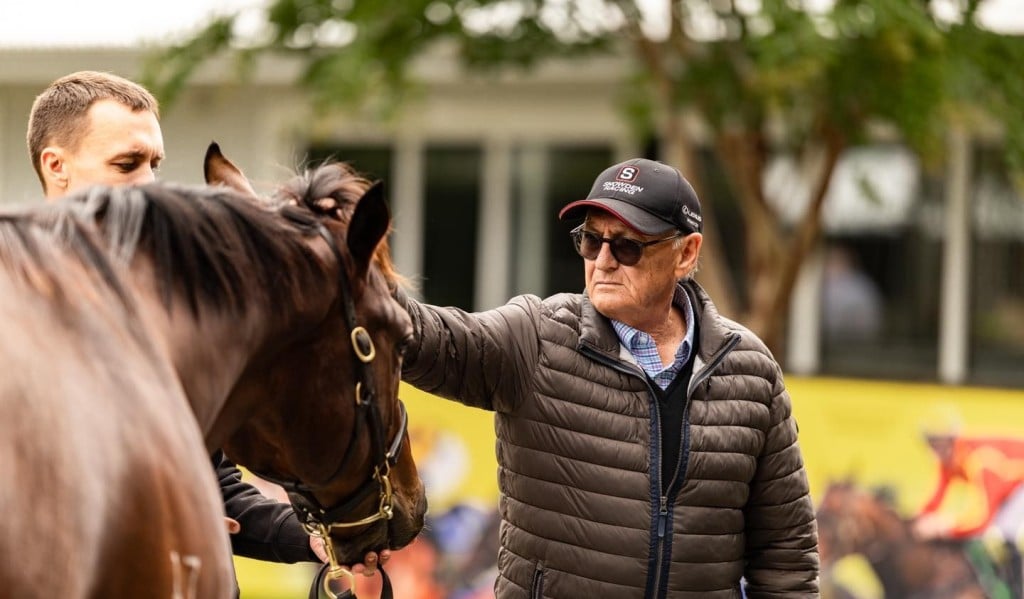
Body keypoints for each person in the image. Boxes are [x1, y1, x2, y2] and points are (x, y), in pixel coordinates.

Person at [395, 157, 819, 597]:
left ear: (686, 253)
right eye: (591, 240)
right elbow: (422, 335)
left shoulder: (751, 371)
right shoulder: (535, 338)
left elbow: (786, 556)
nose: (603, 261)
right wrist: (354, 269)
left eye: (627, 246)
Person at [25, 70, 387, 583]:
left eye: (154, 165)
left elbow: (214, 486)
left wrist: (310, 537)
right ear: (56, 166)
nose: (148, 184)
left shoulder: (171, 308)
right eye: (126, 164)